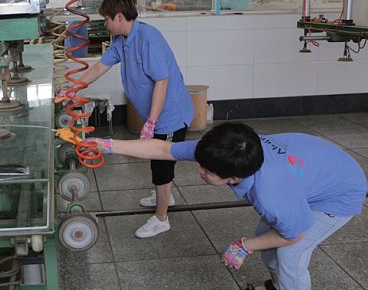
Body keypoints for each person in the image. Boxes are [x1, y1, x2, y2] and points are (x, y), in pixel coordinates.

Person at [90, 122, 367, 290]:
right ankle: (276, 285)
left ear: (233, 178)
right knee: (269, 243)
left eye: (207, 171)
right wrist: (107, 144)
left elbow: (295, 234)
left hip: (339, 193)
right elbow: (163, 149)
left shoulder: (271, 196)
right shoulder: (222, 150)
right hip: (314, 167)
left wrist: (243, 246)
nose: (199, 169)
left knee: (289, 253)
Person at [59, 0, 193, 238]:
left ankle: (161, 218)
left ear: (119, 17)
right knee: (158, 161)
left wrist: (152, 121)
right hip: (156, 114)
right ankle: (165, 194)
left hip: (169, 115)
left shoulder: (148, 39)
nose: (105, 24)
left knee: (161, 162)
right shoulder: (122, 40)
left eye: (107, 19)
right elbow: (100, 66)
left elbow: (162, 82)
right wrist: (73, 88)